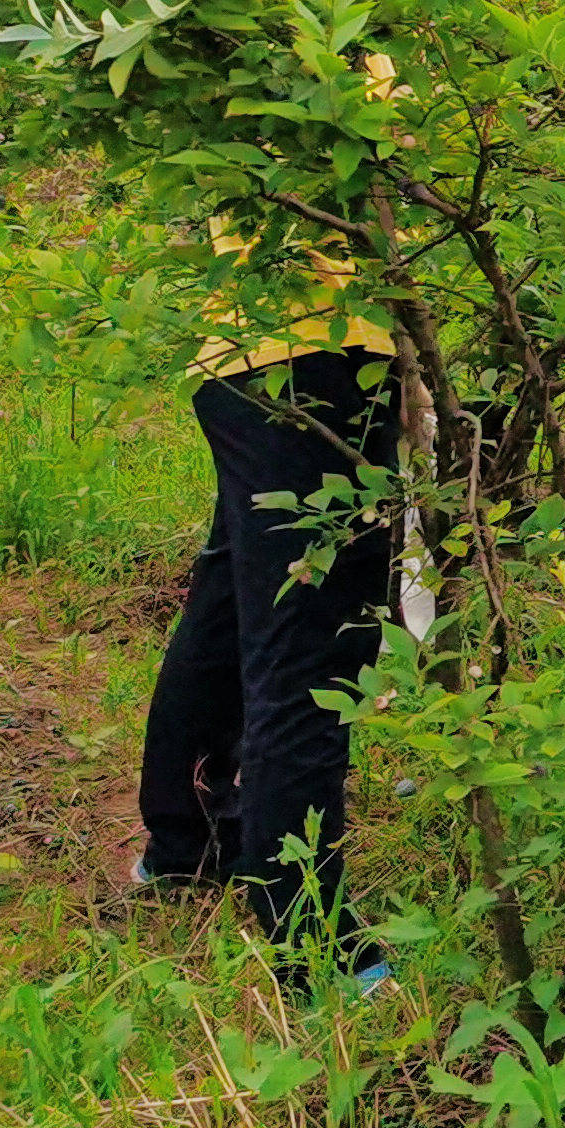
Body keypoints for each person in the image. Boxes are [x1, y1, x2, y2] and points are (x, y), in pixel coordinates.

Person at [132, 218, 404, 995]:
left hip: (251, 351)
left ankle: (186, 847)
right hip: (319, 357)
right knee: (312, 644)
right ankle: (309, 935)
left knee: (231, 601)